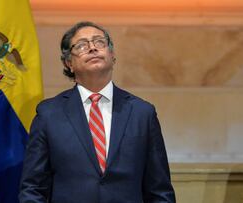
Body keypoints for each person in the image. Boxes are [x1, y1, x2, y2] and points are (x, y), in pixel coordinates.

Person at [19, 21, 176, 203]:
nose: (93, 48)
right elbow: (33, 188)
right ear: (68, 63)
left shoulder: (142, 113)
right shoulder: (49, 114)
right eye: (82, 45)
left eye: (99, 42)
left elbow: (160, 190)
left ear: (112, 55)